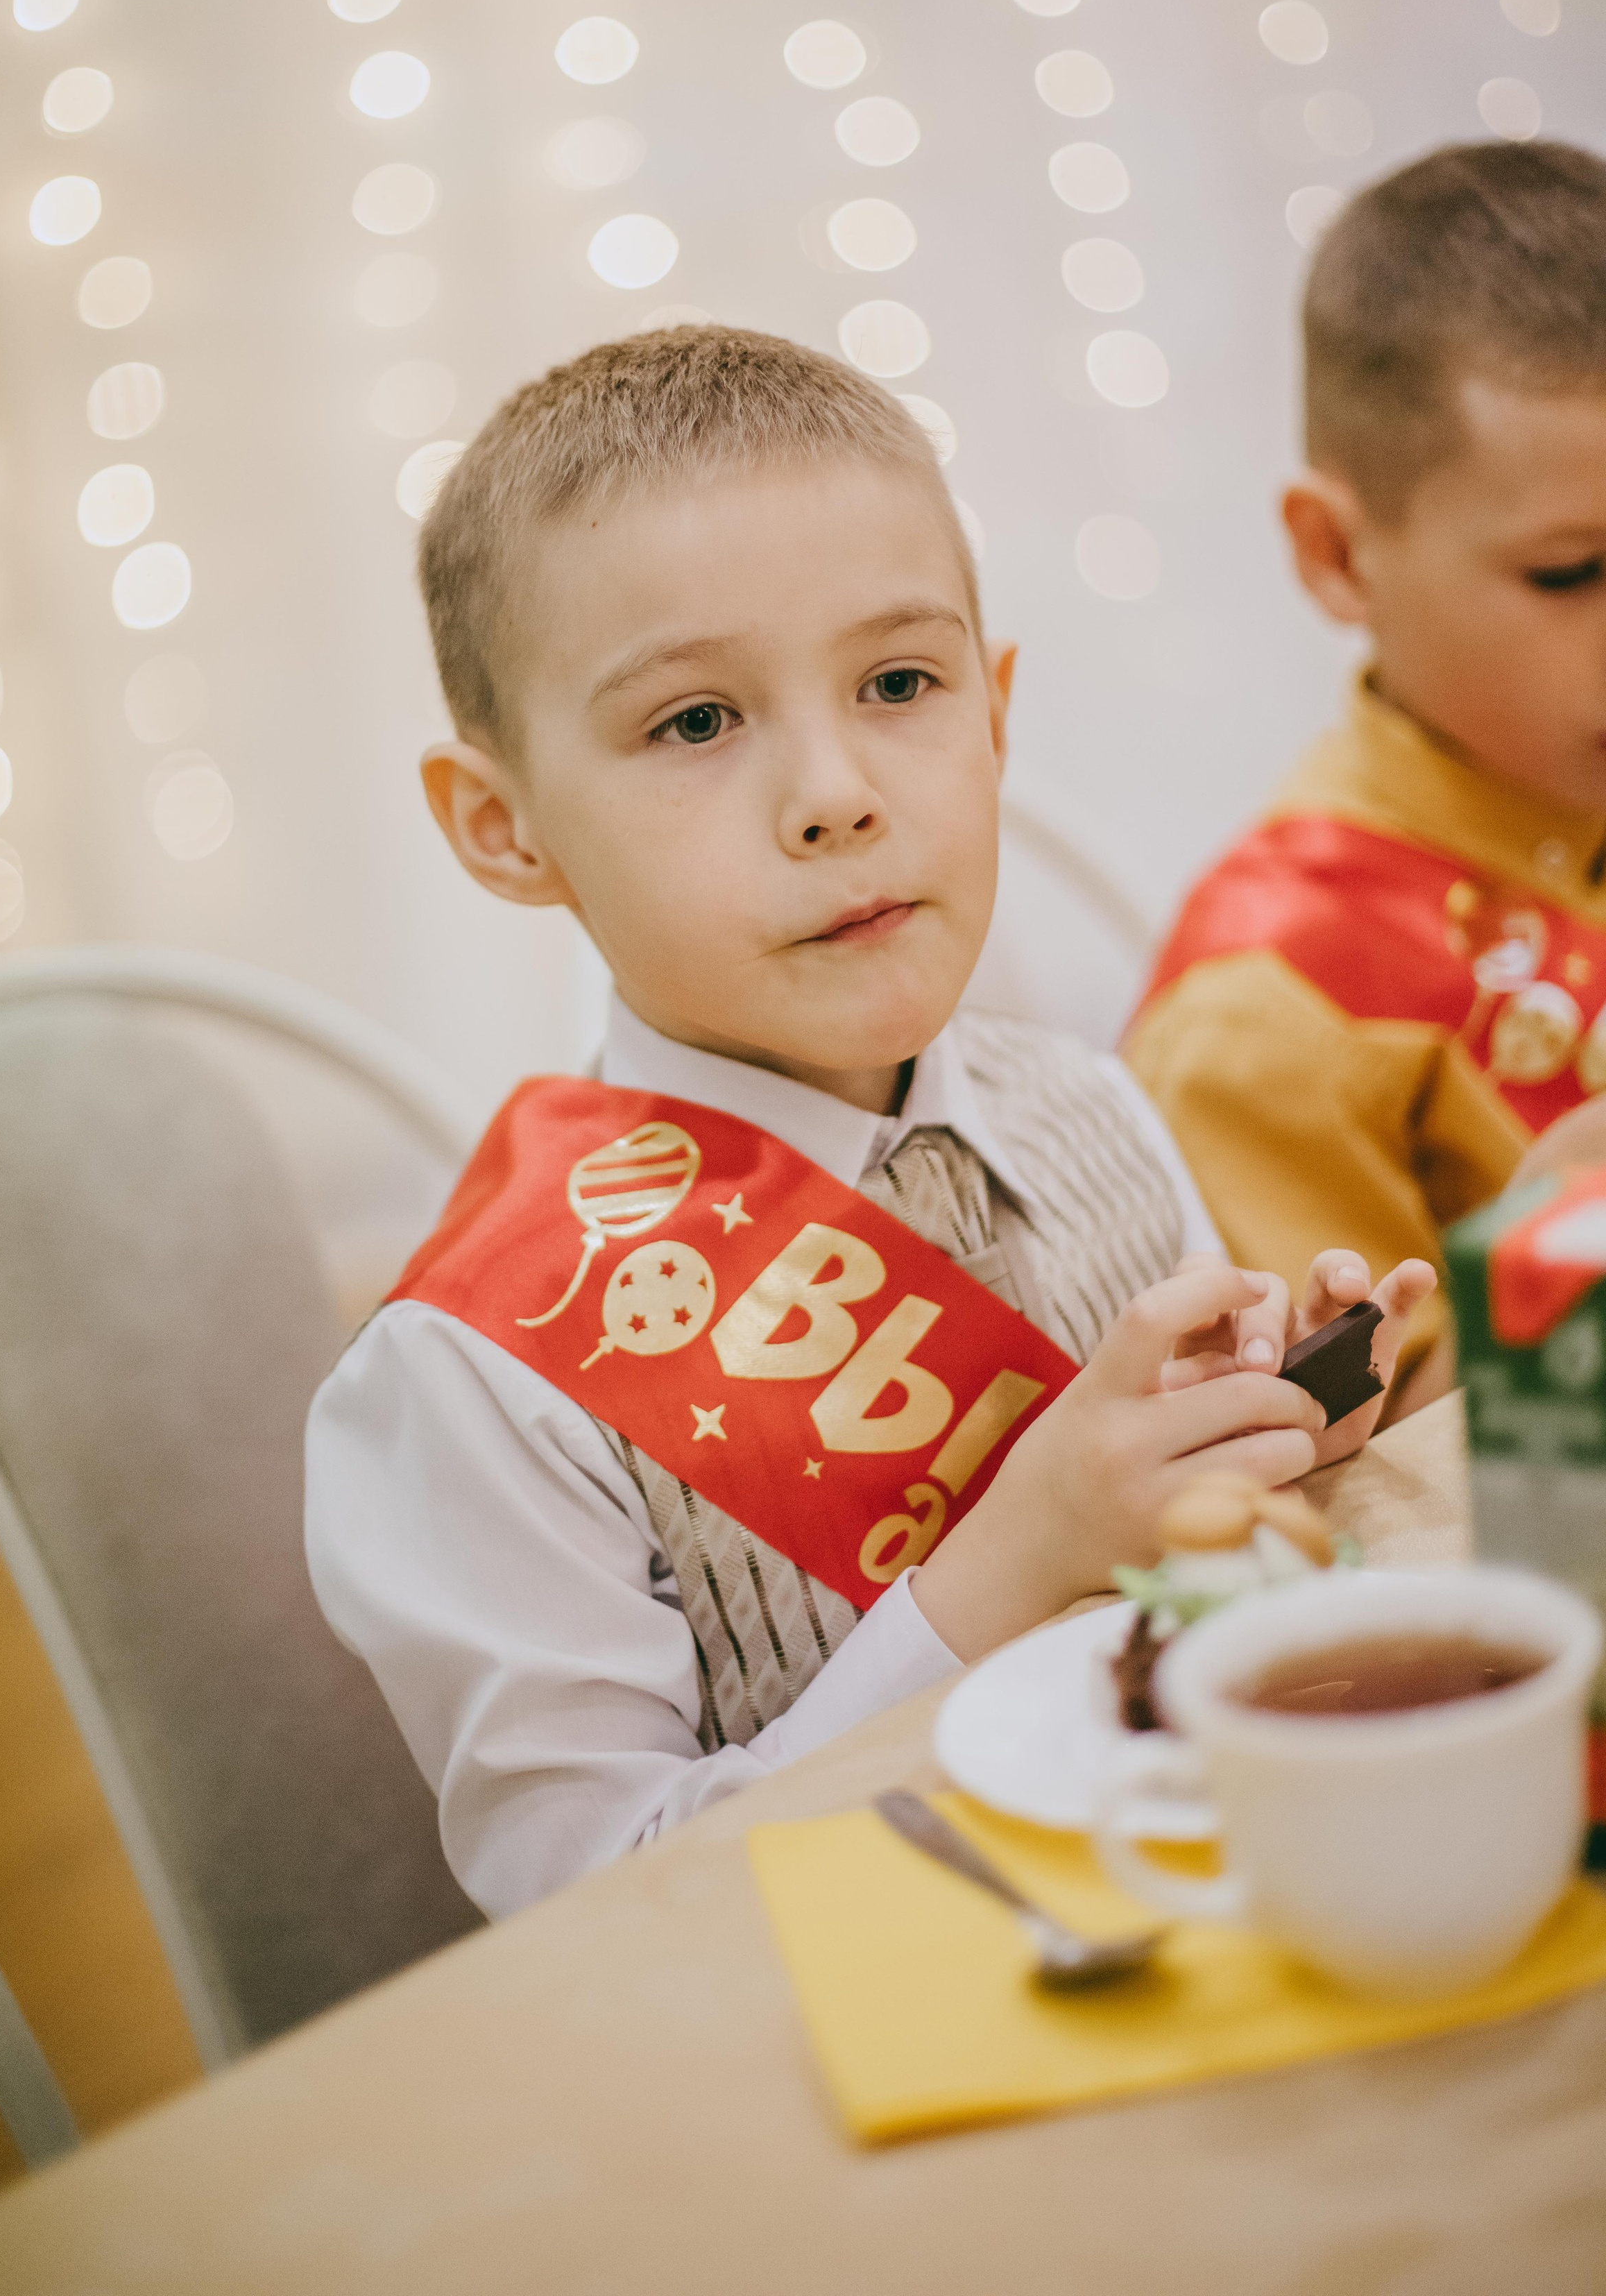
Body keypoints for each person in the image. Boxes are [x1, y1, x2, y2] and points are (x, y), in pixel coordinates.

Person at [305, 326, 1430, 1916]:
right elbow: (591, 1916)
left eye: (899, 683)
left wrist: (1258, 1434)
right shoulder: (477, 1374)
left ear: (994, 713)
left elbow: (1192, 1609)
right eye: (694, 723)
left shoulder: (1093, 1109)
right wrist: (1004, 1564)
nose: (833, 793)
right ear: (502, 830)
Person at [1125, 141, 1606, 1396]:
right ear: (1337, 553)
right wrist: (1551, 1268)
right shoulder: (1264, 1014)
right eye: (1570, 574)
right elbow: (1339, 1484)